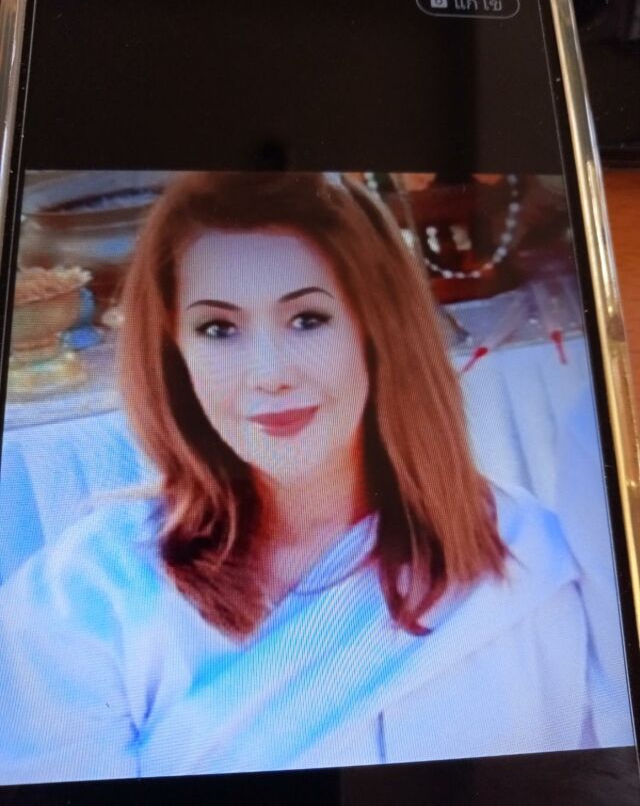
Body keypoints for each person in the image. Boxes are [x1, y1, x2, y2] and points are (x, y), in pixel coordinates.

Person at [0, 173, 633, 785]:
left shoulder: (521, 552)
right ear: (175, 355)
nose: (269, 373)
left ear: (378, 332)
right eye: (219, 328)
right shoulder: (86, 596)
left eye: (308, 319)